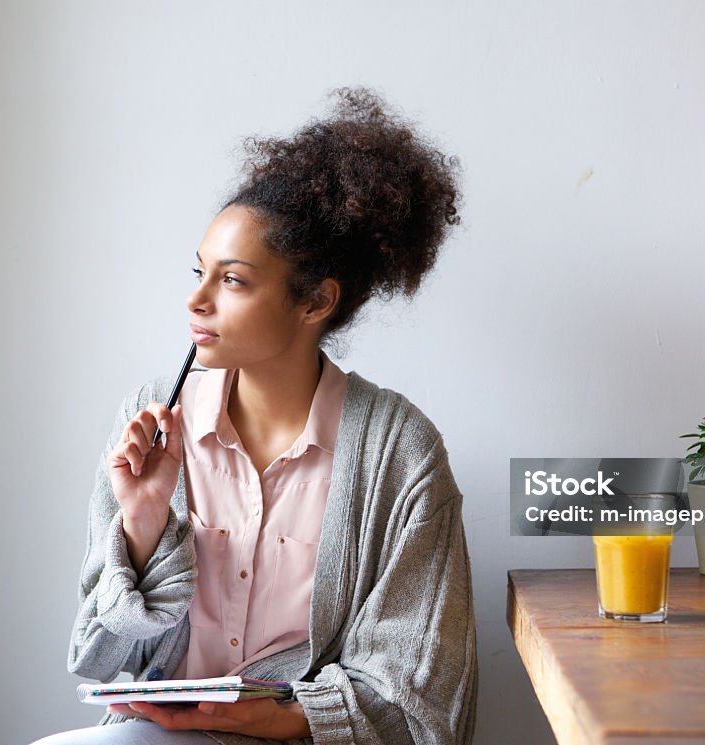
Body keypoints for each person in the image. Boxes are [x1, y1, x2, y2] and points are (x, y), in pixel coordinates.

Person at [30, 87, 477, 745]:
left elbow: (419, 692)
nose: (196, 299)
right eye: (199, 271)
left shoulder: (399, 451)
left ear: (315, 301)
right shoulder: (153, 421)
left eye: (232, 280)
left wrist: (288, 716)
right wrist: (145, 521)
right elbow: (98, 657)